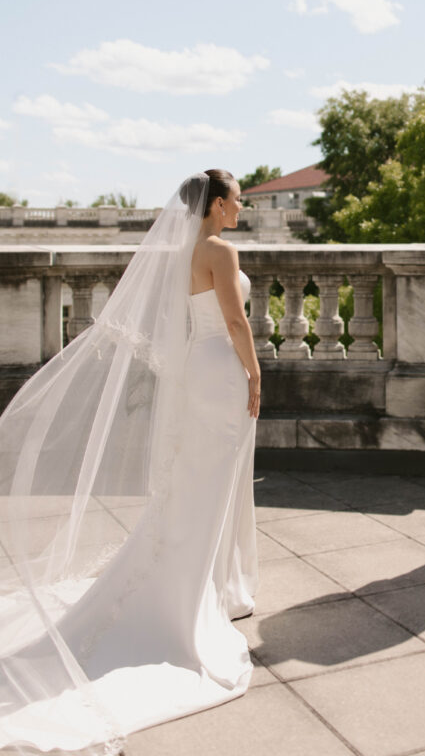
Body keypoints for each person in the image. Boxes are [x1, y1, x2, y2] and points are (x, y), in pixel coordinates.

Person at [0, 169, 260, 753]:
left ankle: (210, 584)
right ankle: (196, 597)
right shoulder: (219, 248)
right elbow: (237, 321)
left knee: (194, 484)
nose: (242, 207)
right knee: (210, 484)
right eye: (238, 200)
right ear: (217, 206)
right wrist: (257, 373)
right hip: (219, 367)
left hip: (194, 369)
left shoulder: (180, 253)